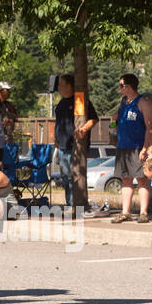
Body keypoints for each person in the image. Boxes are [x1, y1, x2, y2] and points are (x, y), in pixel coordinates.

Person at [110, 73, 152, 224]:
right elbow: (115, 119)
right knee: (126, 179)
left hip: (137, 147)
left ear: (129, 87)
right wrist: (113, 125)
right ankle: (125, 212)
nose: (119, 88)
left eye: (121, 85)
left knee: (141, 179)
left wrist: (145, 148)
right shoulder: (123, 102)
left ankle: (143, 212)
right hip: (123, 146)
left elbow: (149, 127)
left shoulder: (142, 102)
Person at [52, 74, 94, 209]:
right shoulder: (61, 103)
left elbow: (93, 119)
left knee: (74, 176)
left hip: (74, 146)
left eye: (61, 85)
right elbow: (59, 123)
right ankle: (70, 203)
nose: (58, 88)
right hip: (62, 146)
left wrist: (84, 129)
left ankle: (77, 204)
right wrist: (55, 138)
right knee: (65, 177)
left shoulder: (78, 100)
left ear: (69, 86)